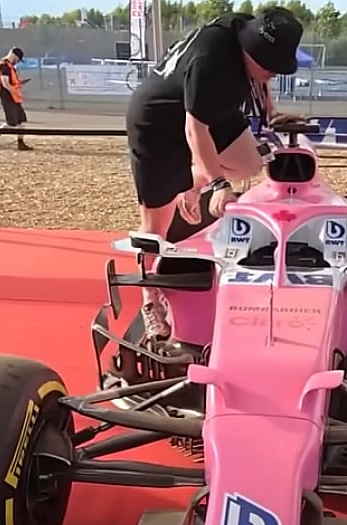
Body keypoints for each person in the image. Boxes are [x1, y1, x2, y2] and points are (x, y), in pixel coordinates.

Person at [124, 7, 304, 341]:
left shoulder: (245, 27)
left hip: (206, 109)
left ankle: (189, 186)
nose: (273, 74)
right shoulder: (213, 63)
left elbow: (259, 78)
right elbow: (194, 130)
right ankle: (150, 301)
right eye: (270, 66)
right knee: (156, 228)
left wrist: (271, 112)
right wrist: (218, 184)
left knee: (249, 163)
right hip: (157, 123)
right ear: (250, 53)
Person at [0, 48, 33, 151]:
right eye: (18, 59)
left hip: (14, 98)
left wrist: (20, 83)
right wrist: (15, 92)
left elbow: (11, 82)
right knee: (11, 123)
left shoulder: (10, 67)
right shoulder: (4, 65)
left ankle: (20, 143)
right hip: (6, 97)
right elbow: (5, 83)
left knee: (22, 120)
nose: (17, 61)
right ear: (13, 55)